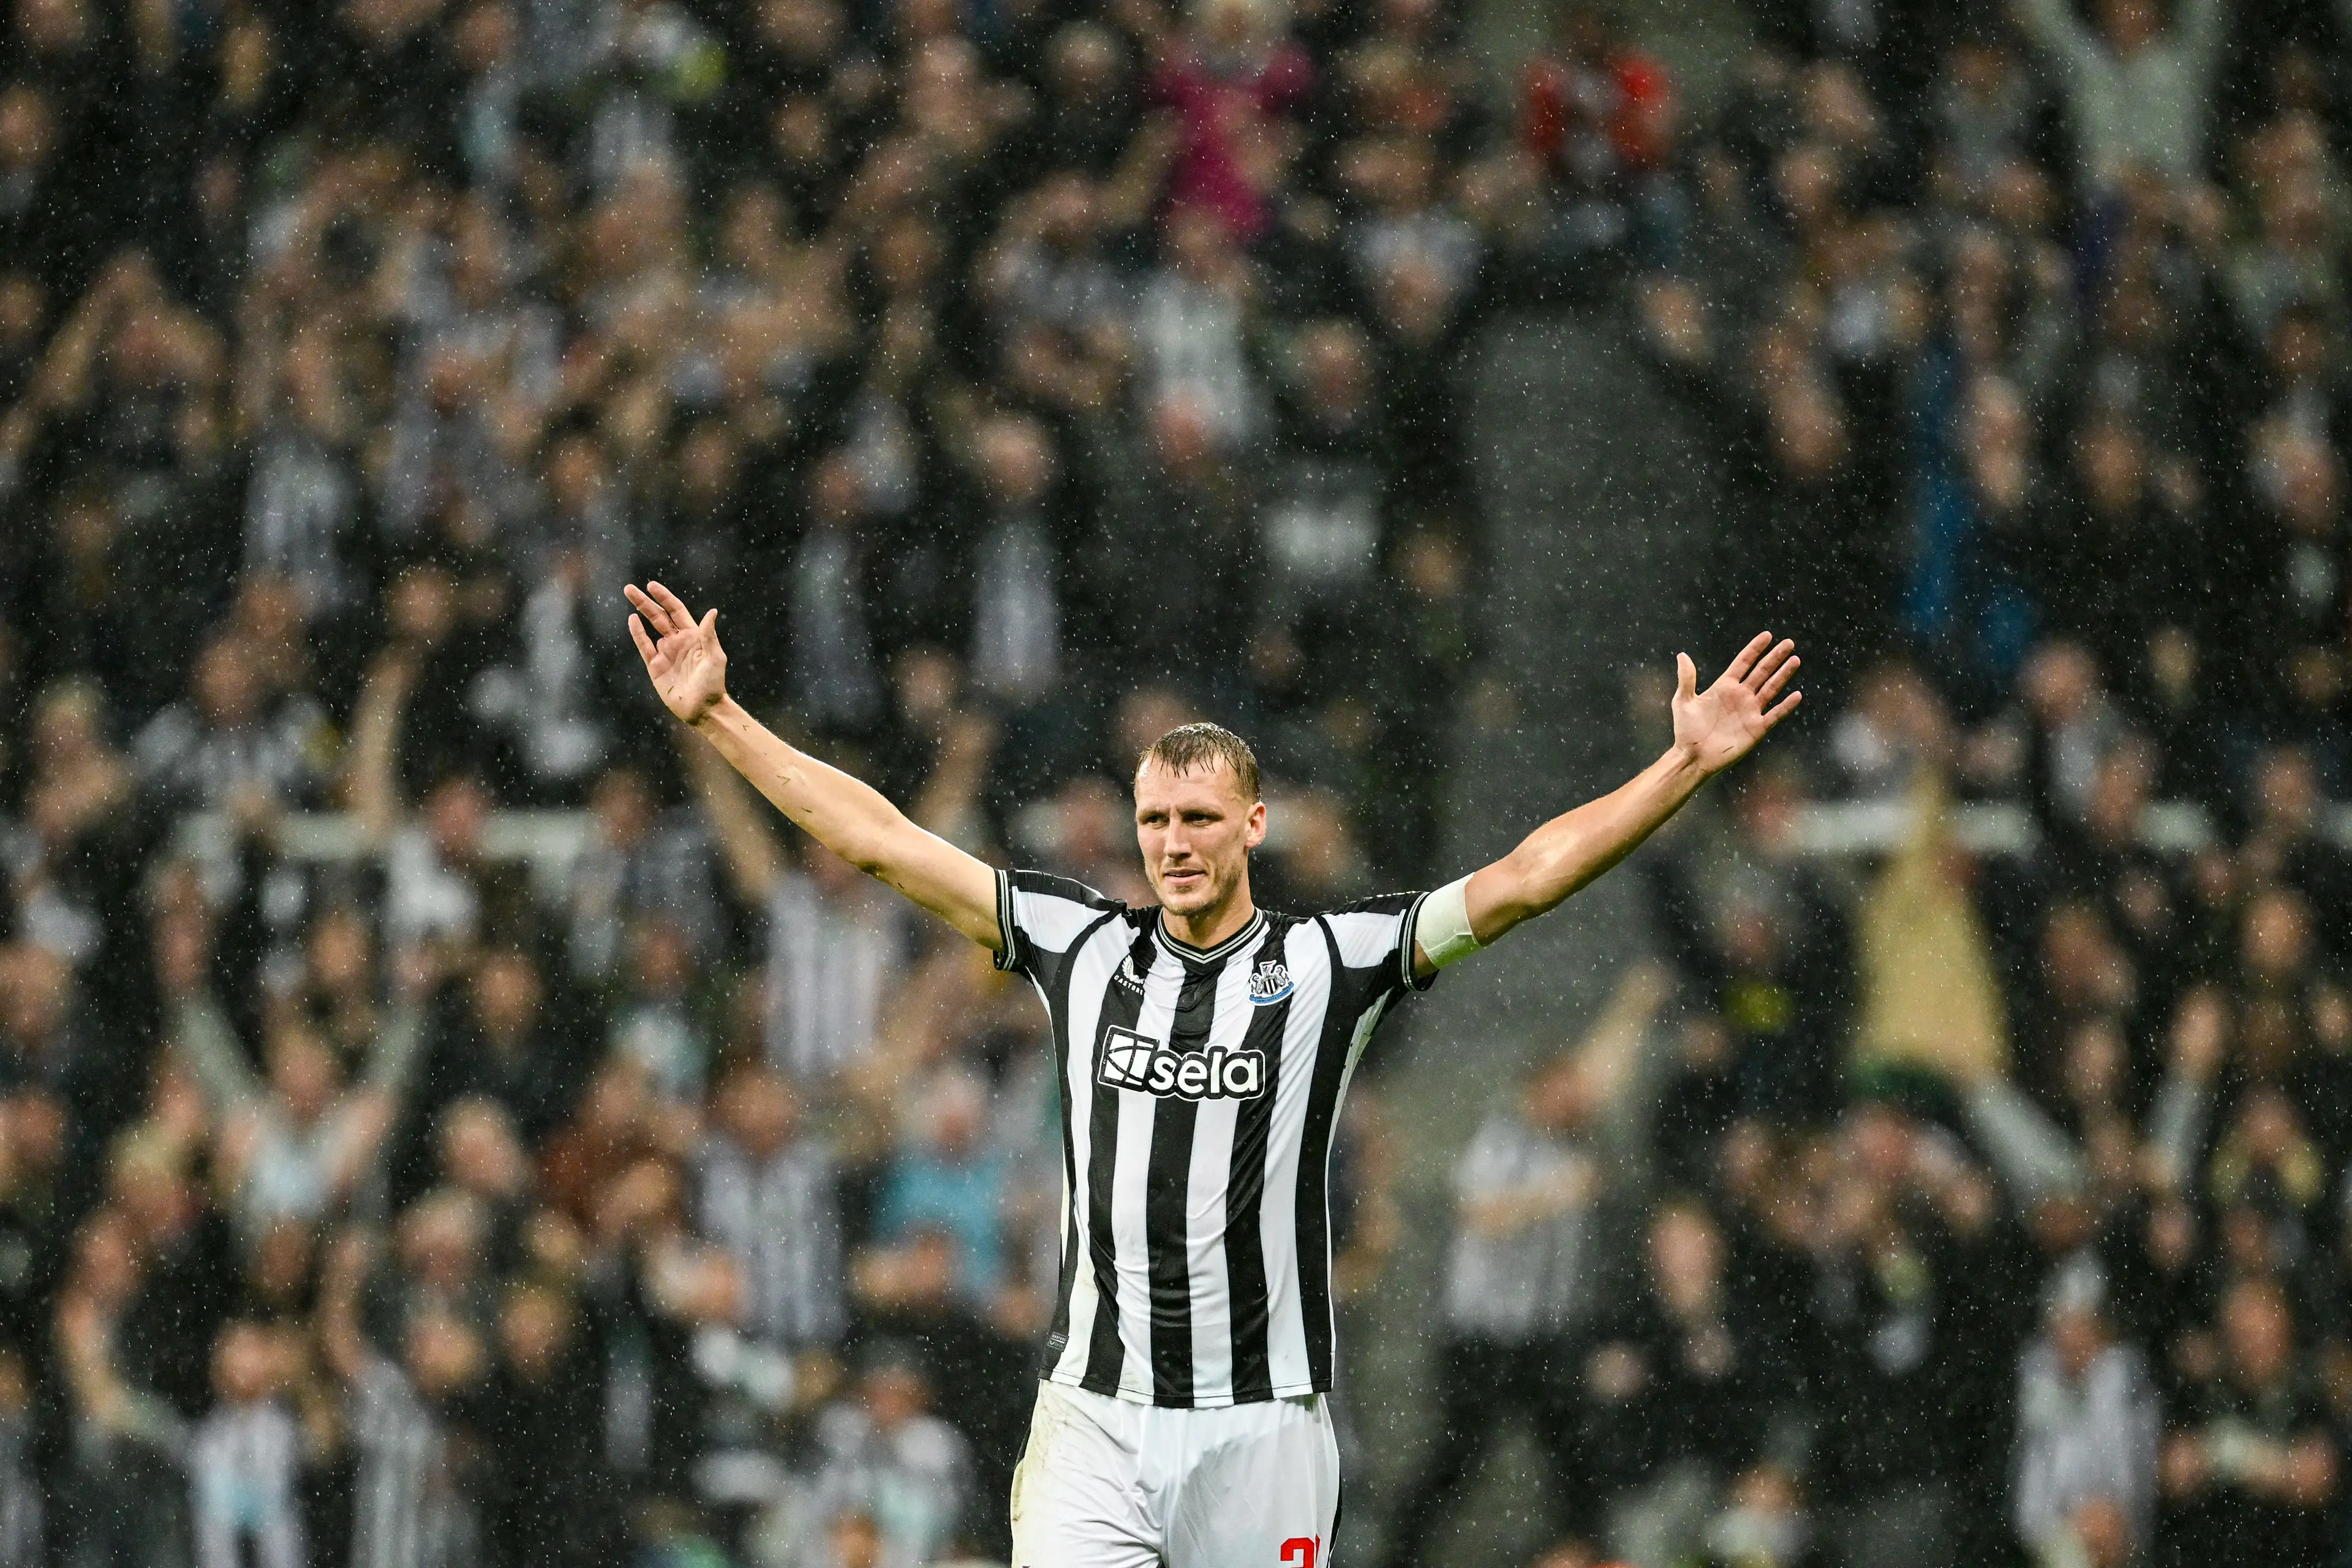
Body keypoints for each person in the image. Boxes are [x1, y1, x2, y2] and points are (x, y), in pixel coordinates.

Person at [621, 578, 1803, 1567]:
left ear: (1253, 825)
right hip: (1096, 1415)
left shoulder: (1332, 959)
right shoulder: (1072, 942)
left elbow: (1524, 876)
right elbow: (881, 838)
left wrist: (1680, 772)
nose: (1172, 842)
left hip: (1266, 1432)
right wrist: (723, 718)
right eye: (1153, 820)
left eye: (1197, 817)